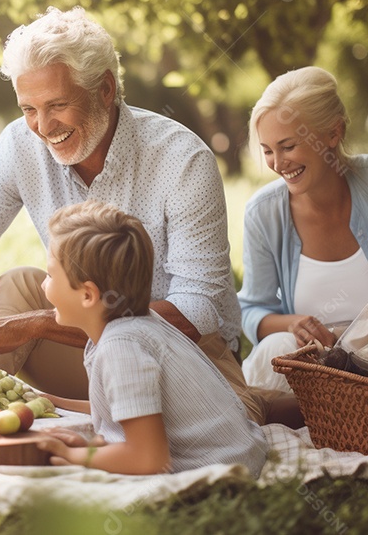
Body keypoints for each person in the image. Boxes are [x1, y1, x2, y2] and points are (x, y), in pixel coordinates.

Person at [0, 6, 265, 424]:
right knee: (19, 283)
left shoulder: (181, 159)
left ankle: (114, 416)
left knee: (230, 422)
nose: (43, 126)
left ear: (105, 88)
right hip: (84, 354)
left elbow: (196, 313)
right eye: (28, 108)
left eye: (57, 104)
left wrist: (33, 326)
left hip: (185, 359)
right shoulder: (19, 145)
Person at [34, 201, 268, 475]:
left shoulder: (121, 347)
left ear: (88, 295)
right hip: (241, 453)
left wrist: (74, 457)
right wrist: (49, 401)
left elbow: (148, 459)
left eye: (50, 275)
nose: (43, 284)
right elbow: (127, 411)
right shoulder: (139, 324)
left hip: (221, 470)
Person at [238, 67, 368, 392]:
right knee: (275, 348)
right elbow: (252, 309)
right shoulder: (264, 213)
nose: (278, 164)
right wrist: (293, 323)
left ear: (333, 134)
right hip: (318, 380)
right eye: (268, 150)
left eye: (288, 146)